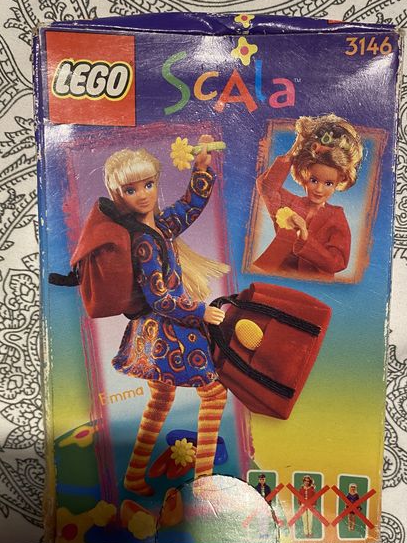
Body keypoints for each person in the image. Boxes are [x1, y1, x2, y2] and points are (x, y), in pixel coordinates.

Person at [104, 136, 229, 496]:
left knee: (161, 399)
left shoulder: (158, 225)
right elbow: (159, 298)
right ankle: (204, 482)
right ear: (118, 195)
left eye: (148, 185)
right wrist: (200, 311)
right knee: (214, 394)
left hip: (153, 333)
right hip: (168, 330)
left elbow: (189, 208)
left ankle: (134, 476)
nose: (143, 195)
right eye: (131, 190)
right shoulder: (143, 241)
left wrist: (200, 170)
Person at [254, 114, 363, 279]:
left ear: (339, 181)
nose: (319, 189)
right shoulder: (289, 203)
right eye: (313, 180)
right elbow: (266, 186)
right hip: (275, 277)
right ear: (304, 174)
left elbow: (337, 262)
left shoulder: (336, 217)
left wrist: (305, 237)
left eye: (328, 183)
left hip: (314, 285)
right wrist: (296, 147)